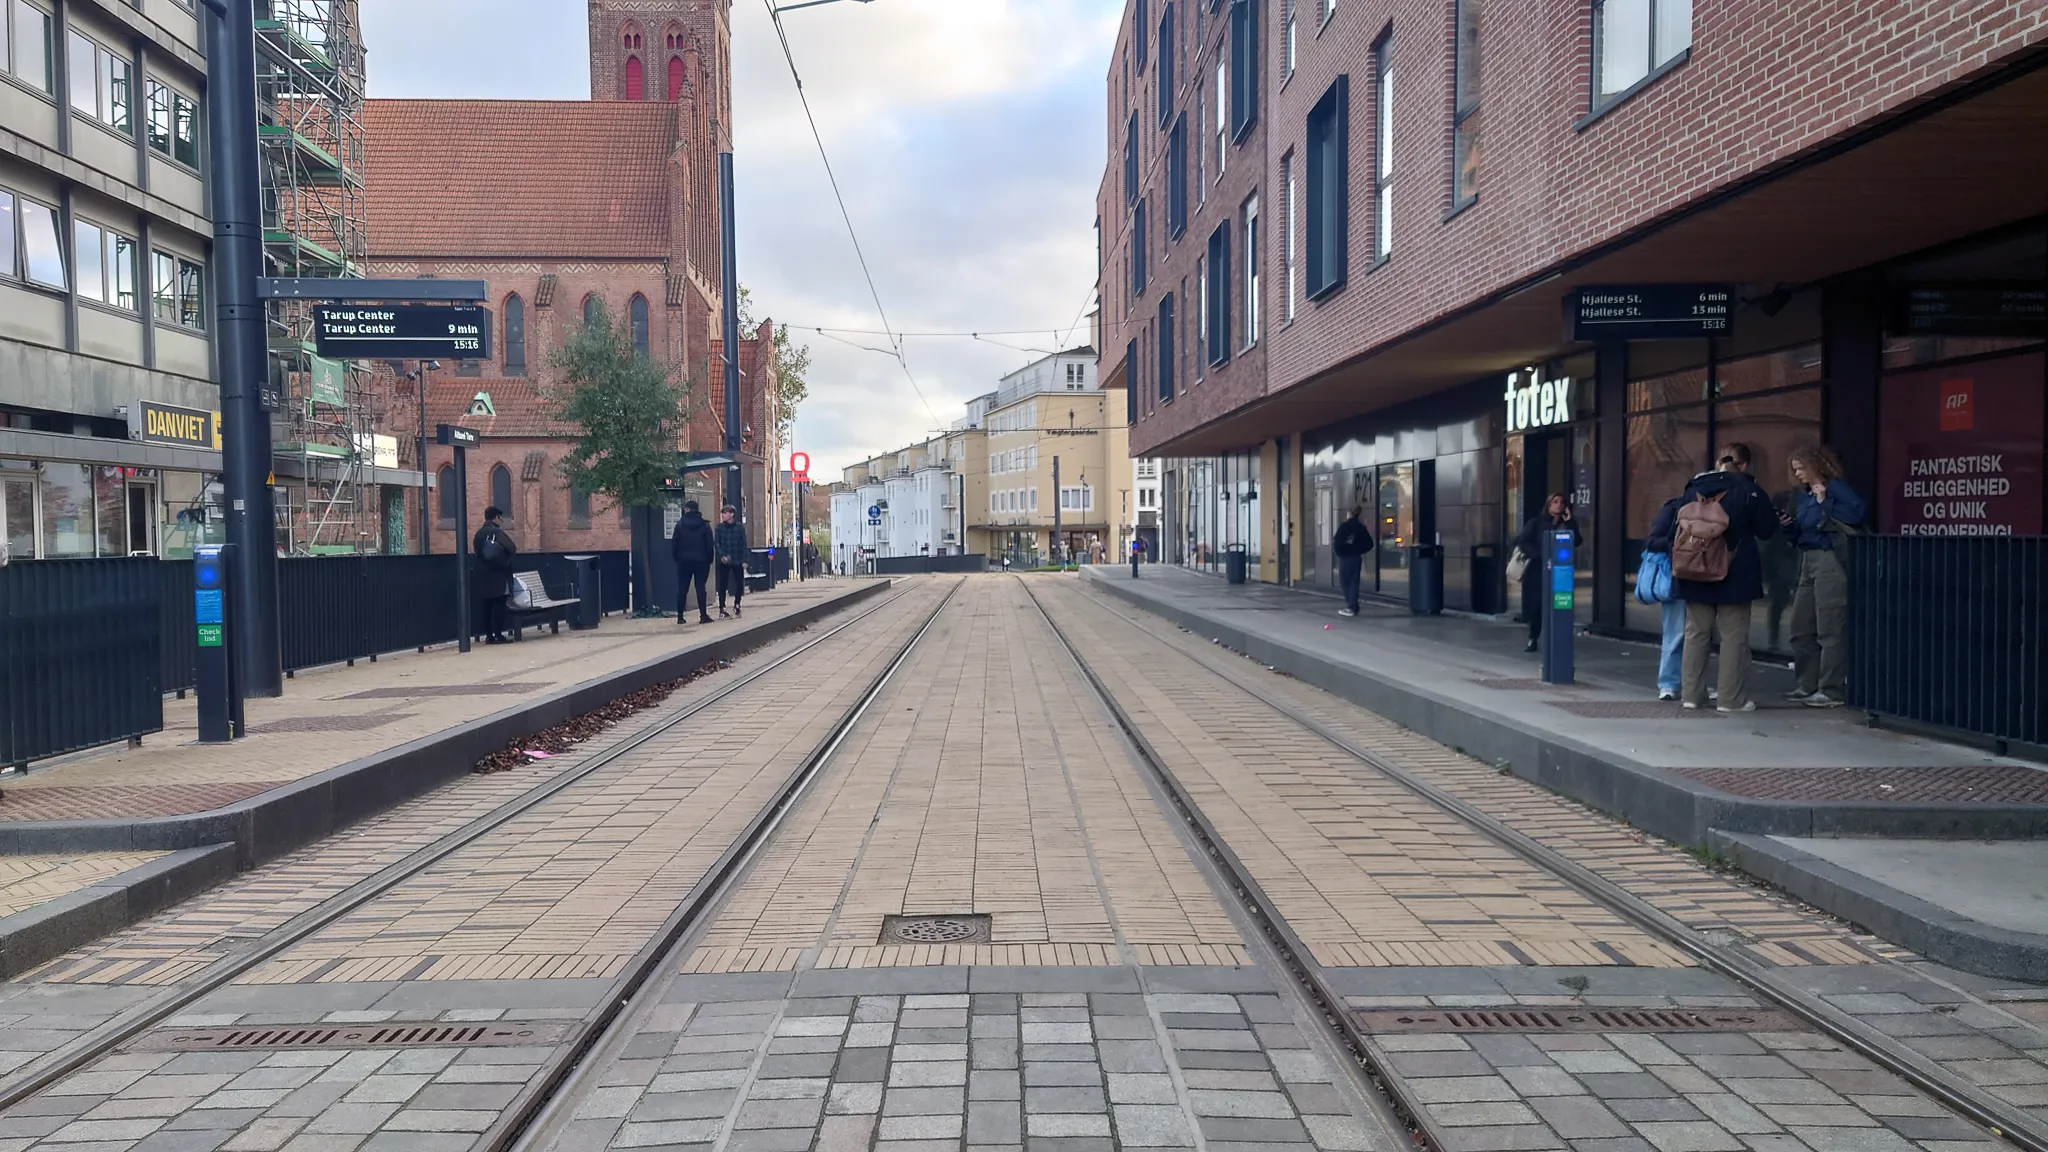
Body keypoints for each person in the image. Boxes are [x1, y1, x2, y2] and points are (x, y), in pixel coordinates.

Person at [1674, 443, 1779, 711]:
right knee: (1733, 636)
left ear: (1718, 460)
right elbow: (1767, 530)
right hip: (1735, 571)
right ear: (1744, 465)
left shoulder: (1693, 488)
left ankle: (1691, 696)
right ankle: (1730, 699)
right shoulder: (1749, 490)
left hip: (1694, 569)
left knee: (1696, 633)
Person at [1782, 444, 1865, 707]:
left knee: (1830, 627)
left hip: (1830, 558)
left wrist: (1825, 500)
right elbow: (1802, 530)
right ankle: (1806, 683)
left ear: (1815, 466)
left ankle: (1831, 689)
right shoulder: (1802, 495)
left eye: (1801, 469)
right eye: (1794, 470)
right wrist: (1787, 527)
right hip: (1808, 558)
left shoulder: (1834, 486)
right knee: (1801, 627)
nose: (1798, 475)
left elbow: (1857, 513)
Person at [1514, 493, 1581, 652]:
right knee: (1539, 604)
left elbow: (1577, 541)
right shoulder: (1537, 523)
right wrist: (1539, 554)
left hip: (1561, 571)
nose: (1559, 505)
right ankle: (1533, 637)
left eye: (1562, 502)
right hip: (1540, 570)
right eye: (1555, 502)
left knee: (1561, 603)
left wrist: (1570, 521)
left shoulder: (1566, 524)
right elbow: (1522, 541)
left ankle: (1558, 638)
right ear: (1549, 505)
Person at [1644, 494, 1689, 701]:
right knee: (1676, 631)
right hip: (1678, 577)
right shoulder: (1674, 508)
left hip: (1704, 578)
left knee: (1693, 634)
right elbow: (1653, 541)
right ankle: (1669, 683)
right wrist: (1677, 544)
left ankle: (1688, 683)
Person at [473, 506, 518, 644]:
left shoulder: (479, 534)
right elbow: (512, 547)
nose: (501, 520)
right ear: (496, 518)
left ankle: (489, 636)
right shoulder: (497, 532)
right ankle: (498, 634)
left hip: (482, 574)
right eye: (500, 517)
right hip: (498, 574)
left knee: (487, 606)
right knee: (499, 604)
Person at [669, 500, 714, 624]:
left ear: (687, 509)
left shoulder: (680, 525)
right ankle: (703, 615)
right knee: (700, 587)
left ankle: (680, 616)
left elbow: (674, 544)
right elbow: (709, 544)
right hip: (701, 561)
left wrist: (677, 558)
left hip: (683, 562)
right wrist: (709, 559)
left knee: (682, 589)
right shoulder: (705, 525)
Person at [1331, 506, 1374, 618]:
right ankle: (1353, 606)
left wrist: (1341, 552)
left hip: (1346, 558)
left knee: (1345, 582)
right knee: (1354, 582)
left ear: (1349, 513)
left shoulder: (1344, 527)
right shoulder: (1361, 527)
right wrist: (1359, 550)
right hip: (1356, 557)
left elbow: (1337, 543)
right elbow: (1369, 544)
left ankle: (1351, 606)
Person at [713, 504, 748, 618]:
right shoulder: (719, 528)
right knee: (723, 584)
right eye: (722, 513)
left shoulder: (739, 528)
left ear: (731, 514)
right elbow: (717, 543)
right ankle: (722, 607)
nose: (723, 515)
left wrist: (744, 560)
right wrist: (722, 555)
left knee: (739, 583)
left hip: (737, 558)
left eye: (725, 513)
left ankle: (737, 604)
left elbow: (743, 544)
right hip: (725, 560)